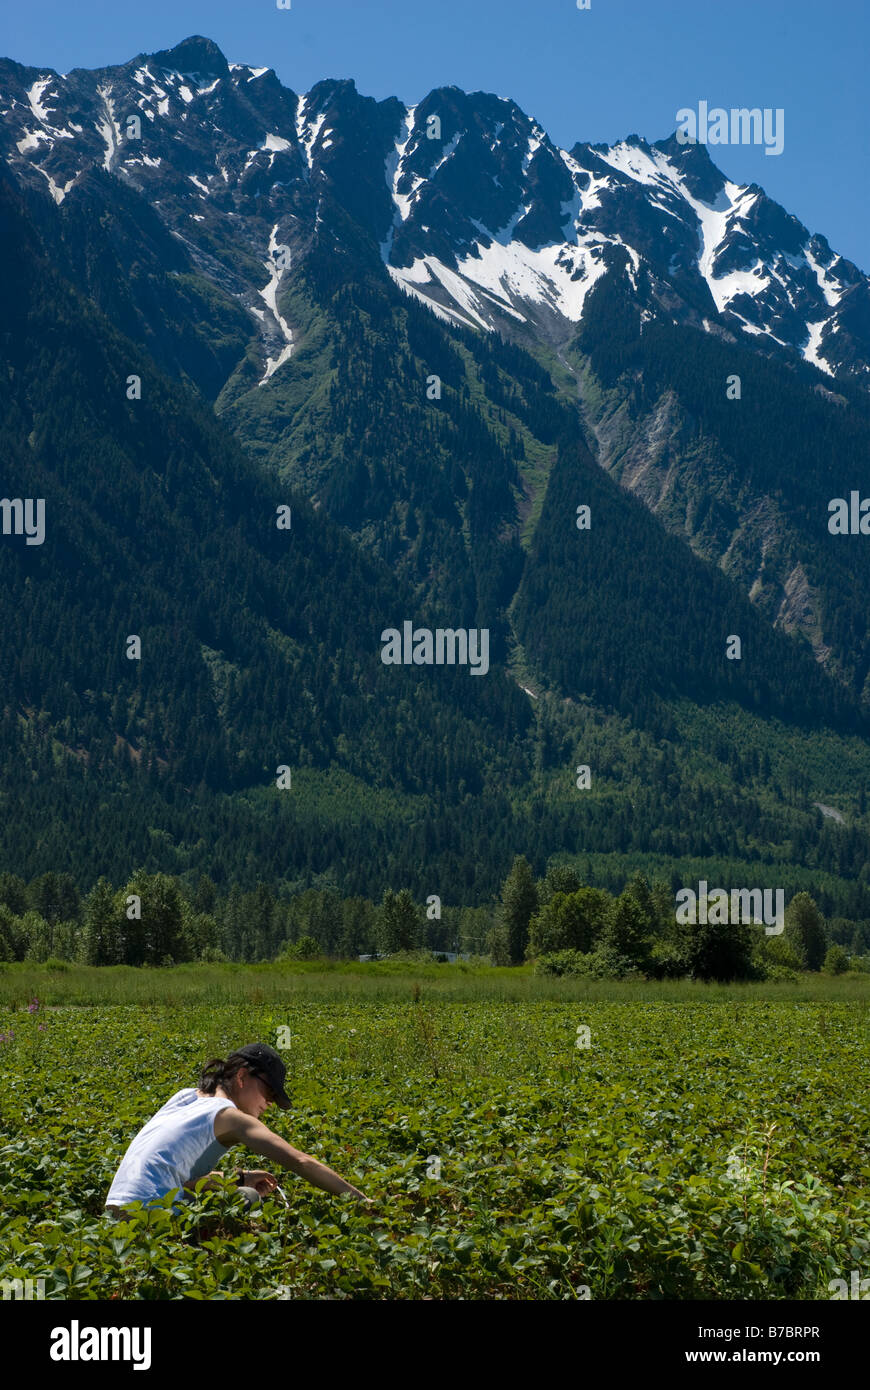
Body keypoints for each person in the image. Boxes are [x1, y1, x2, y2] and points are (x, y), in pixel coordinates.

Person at [105, 1042, 370, 1218]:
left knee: (239, 1189)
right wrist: (363, 1203)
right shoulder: (230, 1117)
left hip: (116, 1209)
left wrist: (240, 1177)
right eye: (269, 1092)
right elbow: (300, 1161)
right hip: (151, 1215)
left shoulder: (184, 1097)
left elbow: (176, 1179)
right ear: (242, 1077)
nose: (268, 1103)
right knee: (248, 1198)